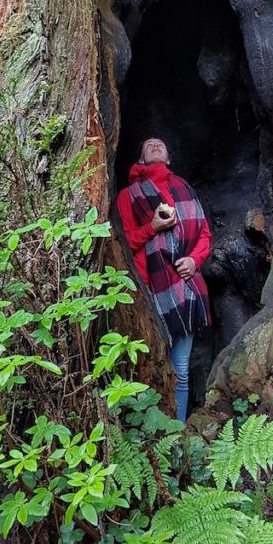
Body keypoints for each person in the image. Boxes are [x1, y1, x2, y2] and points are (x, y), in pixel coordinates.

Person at [116, 137, 211, 422]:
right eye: (147, 144)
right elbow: (123, 242)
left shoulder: (184, 189)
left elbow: (204, 234)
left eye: (160, 143)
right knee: (150, 365)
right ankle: (150, 432)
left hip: (185, 288)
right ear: (140, 159)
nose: (155, 144)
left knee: (180, 367)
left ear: (168, 158)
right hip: (148, 292)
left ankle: (177, 431)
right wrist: (153, 227)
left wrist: (195, 260)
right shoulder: (128, 195)